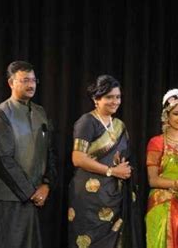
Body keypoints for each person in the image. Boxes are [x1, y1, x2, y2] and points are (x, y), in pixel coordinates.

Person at [0, 61, 57, 248]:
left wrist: (46, 185)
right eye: (25, 80)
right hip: (13, 198)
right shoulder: (1, 114)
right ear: (11, 83)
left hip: (40, 197)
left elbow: (49, 151)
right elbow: (4, 160)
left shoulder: (40, 112)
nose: (31, 85)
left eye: (34, 80)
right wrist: (32, 192)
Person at [68, 75, 141, 248]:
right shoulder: (87, 122)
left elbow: (125, 158)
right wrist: (112, 171)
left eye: (118, 97)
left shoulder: (120, 125)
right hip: (89, 196)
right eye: (109, 97)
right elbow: (77, 158)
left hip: (113, 195)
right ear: (96, 99)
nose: (115, 101)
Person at [145, 88, 178, 248]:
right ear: (166, 115)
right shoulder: (156, 142)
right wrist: (177, 184)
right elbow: (152, 180)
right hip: (161, 201)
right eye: (176, 113)